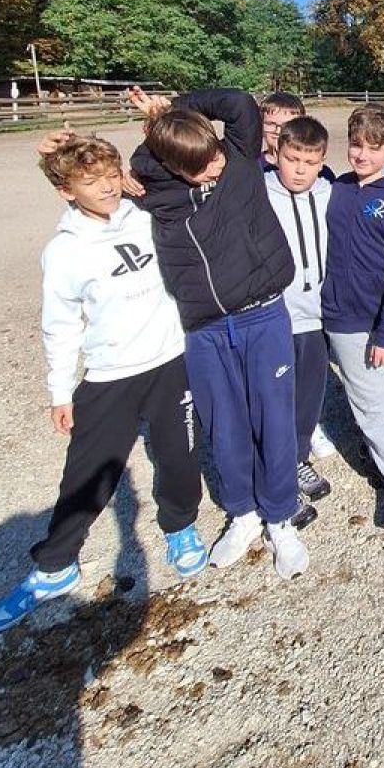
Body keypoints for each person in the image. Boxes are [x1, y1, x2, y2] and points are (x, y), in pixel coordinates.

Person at [0, 137, 207, 635]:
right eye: (90, 180)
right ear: (66, 191)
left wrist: (154, 125)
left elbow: (185, 168)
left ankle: (181, 525)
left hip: (170, 361)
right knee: (88, 471)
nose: (106, 187)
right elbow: (60, 326)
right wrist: (60, 391)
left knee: (178, 454)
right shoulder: (64, 252)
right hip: (110, 374)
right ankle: (56, 565)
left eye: (110, 174)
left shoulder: (145, 215)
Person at [128, 87, 307, 580]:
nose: (214, 167)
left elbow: (239, 105)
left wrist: (173, 108)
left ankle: (280, 516)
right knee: (223, 425)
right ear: (174, 168)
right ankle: (243, 513)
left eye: (213, 157)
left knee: (274, 419)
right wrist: (159, 130)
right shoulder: (157, 189)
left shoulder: (239, 157)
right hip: (204, 328)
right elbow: (138, 166)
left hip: (262, 315)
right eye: (201, 166)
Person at [322, 105, 384, 528]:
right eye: (356, 145)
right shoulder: (337, 189)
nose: (361, 155)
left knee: (383, 393)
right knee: (370, 401)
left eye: (373, 147)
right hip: (343, 316)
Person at [264, 115, 334, 526]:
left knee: (309, 396)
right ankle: (277, 476)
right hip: (275, 317)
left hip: (315, 316)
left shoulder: (328, 192)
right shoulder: (259, 193)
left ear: (322, 161)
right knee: (275, 400)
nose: (300, 170)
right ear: (276, 154)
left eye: (310, 162)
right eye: (292, 159)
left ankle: (297, 458)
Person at [259, 92, 306, 170]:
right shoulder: (251, 167)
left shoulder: (314, 168)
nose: (278, 131)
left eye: (286, 125)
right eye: (271, 124)